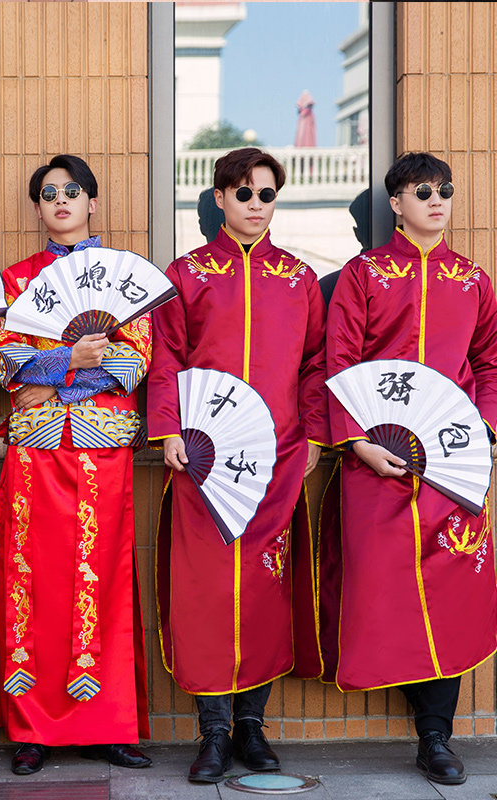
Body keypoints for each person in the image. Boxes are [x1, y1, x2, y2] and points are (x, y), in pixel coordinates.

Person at [146, 147, 329, 783]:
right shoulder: (187, 274)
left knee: (264, 592)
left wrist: (311, 435)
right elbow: (166, 357)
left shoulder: (299, 279)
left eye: (266, 194)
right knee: (206, 593)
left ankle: (252, 726)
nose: (255, 205)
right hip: (203, 463)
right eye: (243, 193)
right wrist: (168, 427)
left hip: (276, 460)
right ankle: (214, 732)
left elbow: (315, 365)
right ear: (220, 197)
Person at [323, 152, 497, 786]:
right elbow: (338, 364)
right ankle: (415, 714)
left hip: (453, 466)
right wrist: (356, 442)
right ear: (396, 204)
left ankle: (436, 737)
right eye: (422, 191)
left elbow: (490, 362)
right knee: (384, 589)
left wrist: (485, 430)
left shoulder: (472, 280)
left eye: (444, 190)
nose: (437, 200)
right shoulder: (364, 275)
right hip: (377, 462)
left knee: (451, 593)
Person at [0, 154, 151, 774]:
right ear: (37, 207)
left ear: (92, 202)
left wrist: (56, 375)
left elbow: (135, 363)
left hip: (103, 449)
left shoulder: (126, 277)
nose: (60, 201)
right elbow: (3, 361)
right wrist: (72, 359)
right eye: (48, 193)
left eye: (72, 191)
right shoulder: (17, 279)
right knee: (34, 580)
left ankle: (109, 725)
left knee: (104, 580)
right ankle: (34, 729)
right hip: (36, 455)